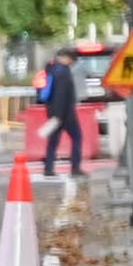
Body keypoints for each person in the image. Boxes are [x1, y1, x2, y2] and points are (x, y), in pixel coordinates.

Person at [40, 48, 83, 177]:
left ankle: (48, 168)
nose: (72, 63)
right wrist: (60, 115)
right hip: (65, 114)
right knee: (77, 138)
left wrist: (54, 114)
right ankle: (75, 168)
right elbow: (61, 94)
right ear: (67, 58)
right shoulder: (63, 72)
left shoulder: (51, 69)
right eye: (72, 60)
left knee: (53, 142)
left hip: (53, 111)